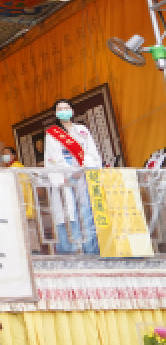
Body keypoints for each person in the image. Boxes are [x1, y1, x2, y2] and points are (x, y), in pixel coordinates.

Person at [44, 99, 102, 255]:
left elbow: (91, 152)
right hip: (65, 175)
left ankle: (91, 251)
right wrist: (70, 172)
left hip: (85, 173)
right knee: (68, 214)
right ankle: (71, 253)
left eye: (66, 107)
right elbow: (53, 157)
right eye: (60, 109)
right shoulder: (52, 134)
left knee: (87, 212)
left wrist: (83, 168)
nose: (64, 111)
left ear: (72, 110)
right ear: (56, 113)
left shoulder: (82, 129)